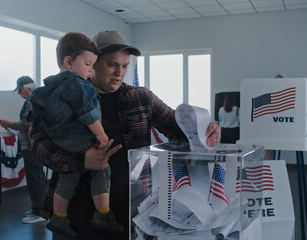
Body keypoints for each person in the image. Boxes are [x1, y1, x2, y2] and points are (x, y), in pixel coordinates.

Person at [30, 30, 221, 240]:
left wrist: (206, 129)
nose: (119, 72)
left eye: (125, 66)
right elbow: (39, 145)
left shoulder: (141, 99)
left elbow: (180, 129)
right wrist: (81, 160)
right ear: (93, 63)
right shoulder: (61, 96)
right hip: (74, 217)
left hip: (129, 215)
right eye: (112, 64)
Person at [29, 32, 123, 236]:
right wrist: (101, 137)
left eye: (125, 66)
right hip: (75, 137)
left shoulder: (51, 85)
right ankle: (102, 213)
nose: (119, 72)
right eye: (90, 64)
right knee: (102, 168)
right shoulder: (79, 85)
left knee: (68, 178)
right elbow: (87, 113)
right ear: (69, 61)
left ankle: (59, 217)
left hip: (61, 138)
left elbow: (35, 106)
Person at [0, 76, 46, 224]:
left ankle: (40, 211)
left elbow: (28, 124)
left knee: (35, 178)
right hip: (32, 145)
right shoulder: (33, 101)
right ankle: (38, 208)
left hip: (32, 146)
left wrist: (11, 124)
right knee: (36, 177)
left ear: (28, 88)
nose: (19, 93)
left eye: (20, 90)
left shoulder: (33, 102)